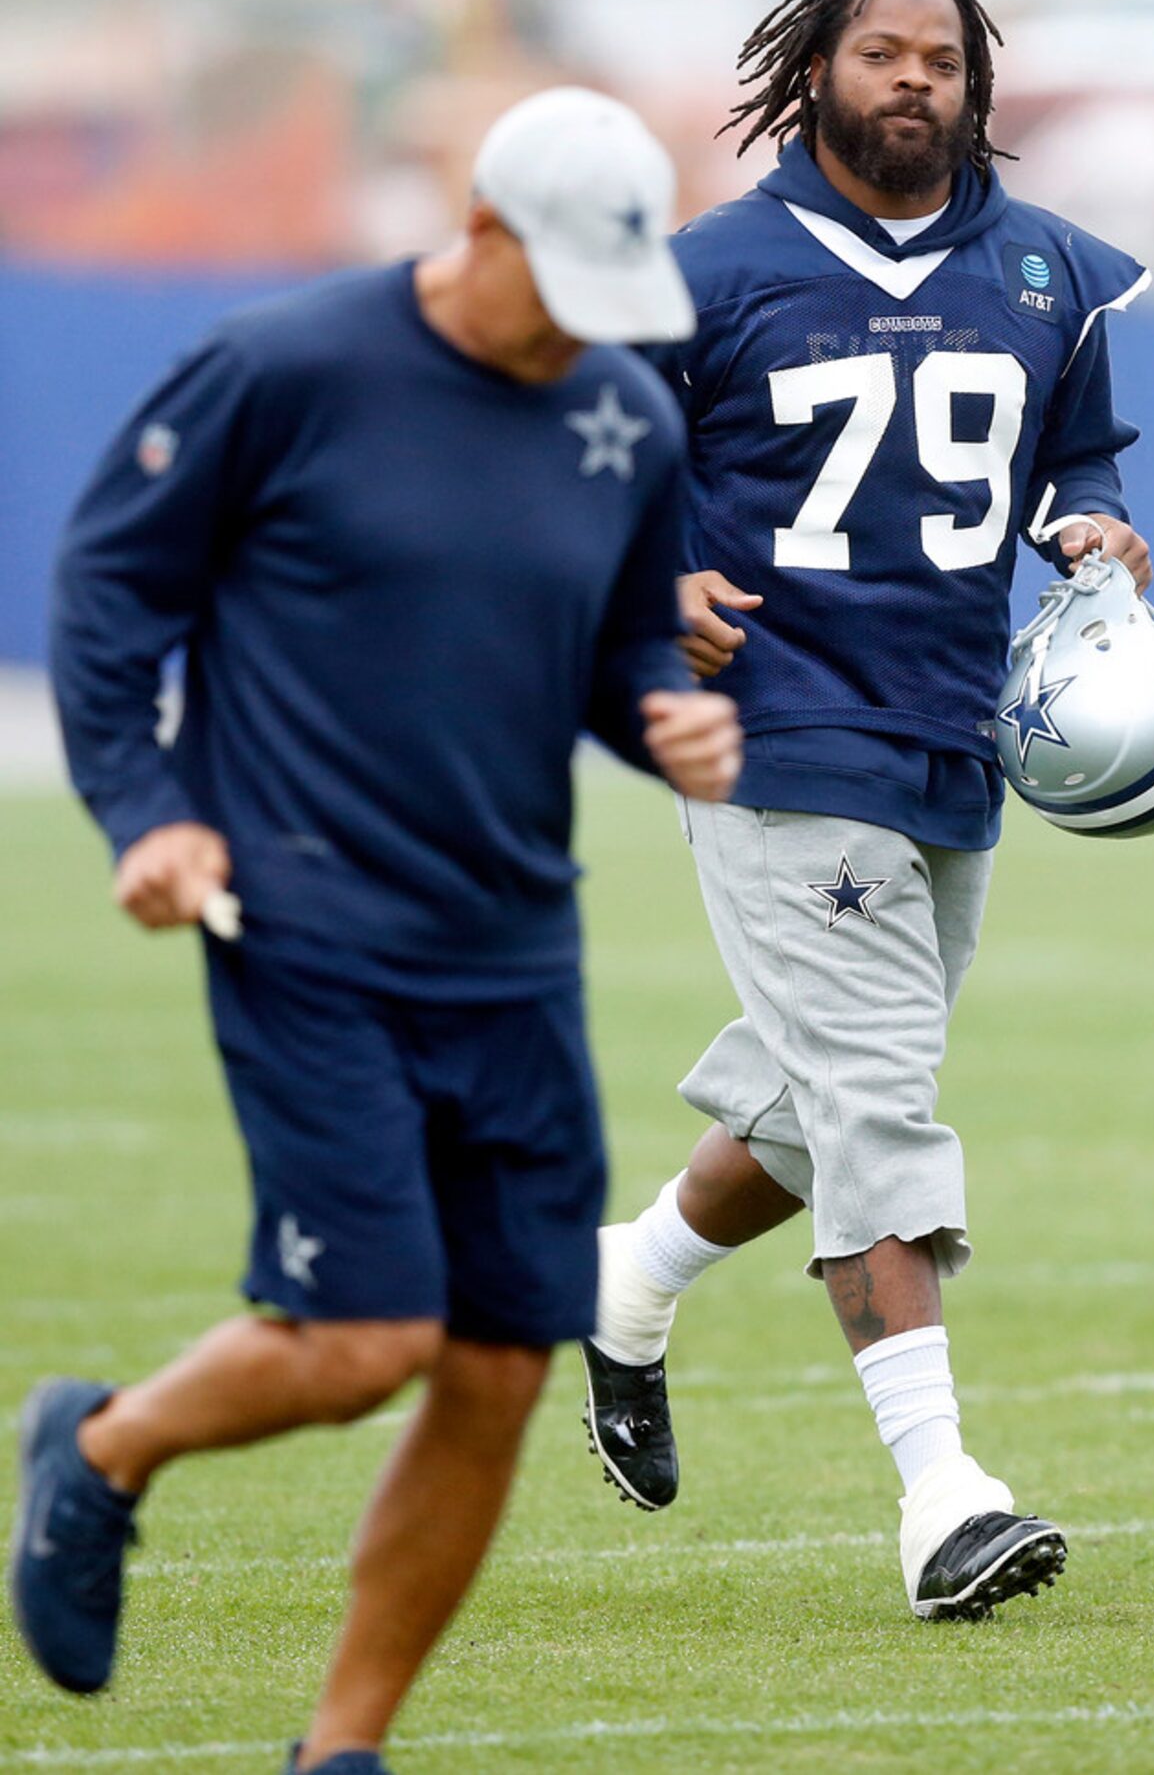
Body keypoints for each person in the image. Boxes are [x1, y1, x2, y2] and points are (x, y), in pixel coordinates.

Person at [13, 86, 741, 1774]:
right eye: (557, 289)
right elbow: (112, 589)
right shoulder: (283, 368)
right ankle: (103, 1447)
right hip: (305, 921)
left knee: (494, 1370)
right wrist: (148, 811)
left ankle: (342, 1750)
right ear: (480, 230)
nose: (583, 334)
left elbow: (624, 653)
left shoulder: (625, 414)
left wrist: (662, 717)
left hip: (513, 952)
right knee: (362, 1342)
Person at [578, 0, 1154, 1621]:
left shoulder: (1045, 269)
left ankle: (631, 1273)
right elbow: (587, 459)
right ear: (818, 70)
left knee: (811, 1094)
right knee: (880, 1102)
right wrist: (648, 585)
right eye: (882, 54)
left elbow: (1078, 451)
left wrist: (1090, 523)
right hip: (771, 729)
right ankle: (942, 1493)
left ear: (977, 82)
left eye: (942, 60)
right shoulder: (710, 269)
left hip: (949, 728)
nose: (914, 81)